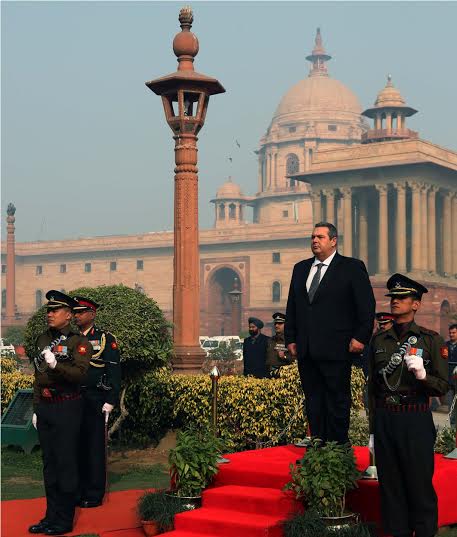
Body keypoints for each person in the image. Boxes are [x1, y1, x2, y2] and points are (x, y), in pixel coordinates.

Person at [368, 274, 448, 537]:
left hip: (415, 420)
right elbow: (373, 388)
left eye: (402, 298)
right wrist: (372, 428)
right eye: (393, 298)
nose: (395, 302)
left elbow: (442, 386)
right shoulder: (379, 340)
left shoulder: (429, 340)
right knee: (390, 485)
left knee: (419, 483)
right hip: (386, 419)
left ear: (416, 304)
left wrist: (424, 376)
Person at [285, 222, 375, 444]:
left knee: (336, 400)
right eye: (313, 237)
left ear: (333, 241)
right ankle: (317, 447)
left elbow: (366, 305)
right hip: (307, 348)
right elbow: (293, 306)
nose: (315, 241)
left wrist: (361, 337)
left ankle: (337, 450)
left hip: (338, 347)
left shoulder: (351, 267)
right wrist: (291, 338)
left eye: (320, 237)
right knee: (313, 400)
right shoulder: (301, 268)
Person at [29, 291, 91, 535]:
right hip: (46, 408)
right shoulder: (43, 339)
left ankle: (64, 520)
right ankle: (50, 516)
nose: (50, 314)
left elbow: (80, 374)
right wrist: (36, 408)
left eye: (55, 310)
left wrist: (57, 366)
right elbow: (37, 378)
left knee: (65, 463)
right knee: (49, 465)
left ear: (68, 315)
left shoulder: (78, 342)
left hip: (67, 406)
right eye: (48, 310)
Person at [73, 296, 121, 508]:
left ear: (92, 314)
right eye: (75, 312)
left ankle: (93, 493)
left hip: (95, 399)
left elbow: (113, 371)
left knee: (94, 447)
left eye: (81, 312)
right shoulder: (69, 338)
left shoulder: (104, 338)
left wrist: (111, 400)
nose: (77, 315)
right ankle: (77, 490)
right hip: (73, 399)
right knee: (75, 446)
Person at [266, 312, 295, 377]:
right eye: (275, 323)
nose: (276, 326)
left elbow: (296, 359)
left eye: (280, 323)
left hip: (284, 376)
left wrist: (285, 357)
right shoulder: (270, 340)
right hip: (269, 376)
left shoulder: (290, 341)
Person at [446, 323, 457, 425]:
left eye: (454, 332)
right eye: (450, 333)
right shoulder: (445, 345)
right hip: (448, 382)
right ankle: (452, 432)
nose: (451, 335)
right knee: (451, 407)